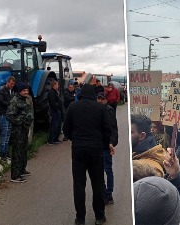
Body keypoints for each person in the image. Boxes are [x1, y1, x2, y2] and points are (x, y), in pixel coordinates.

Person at [63, 84, 112, 225]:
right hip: (96, 150)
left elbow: (66, 128)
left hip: (78, 149)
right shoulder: (101, 108)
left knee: (79, 184)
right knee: (97, 184)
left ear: (81, 94)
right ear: (94, 95)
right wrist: (103, 145)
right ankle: (99, 216)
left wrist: (75, 139)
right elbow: (107, 130)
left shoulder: (73, 107)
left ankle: (80, 218)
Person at [6, 82, 34, 183]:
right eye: (24, 90)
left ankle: (22, 169)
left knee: (23, 149)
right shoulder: (15, 101)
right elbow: (9, 115)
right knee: (17, 151)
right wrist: (20, 121)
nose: (26, 92)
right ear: (19, 91)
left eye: (27, 90)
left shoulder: (24, 99)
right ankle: (15, 175)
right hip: (18, 130)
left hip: (24, 129)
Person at [96, 92, 118, 205]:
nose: (100, 100)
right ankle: (103, 192)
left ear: (106, 100)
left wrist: (111, 142)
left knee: (108, 170)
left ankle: (109, 194)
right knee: (99, 170)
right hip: (98, 145)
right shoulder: (96, 110)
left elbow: (113, 128)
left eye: (102, 99)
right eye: (98, 98)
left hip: (106, 145)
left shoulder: (109, 110)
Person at [0, 76, 16, 161]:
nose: (12, 85)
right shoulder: (2, 90)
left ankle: (6, 152)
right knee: (4, 133)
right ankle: (2, 153)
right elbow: (1, 102)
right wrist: (10, 104)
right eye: (11, 83)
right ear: (8, 82)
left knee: (8, 133)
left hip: (8, 114)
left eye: (13, 84)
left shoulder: (11, 91)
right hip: (3, 114)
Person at [47, 80, 63, 144]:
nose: (58, 86)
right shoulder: (51, 92)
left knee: (58, 125)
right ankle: (51, 140)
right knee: (54, 125)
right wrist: (56, 108)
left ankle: (56, 138)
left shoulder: (55, 92)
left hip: (57, 111)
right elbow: (52, 102)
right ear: (54, 85)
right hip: (54, 111)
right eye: (57, 84)